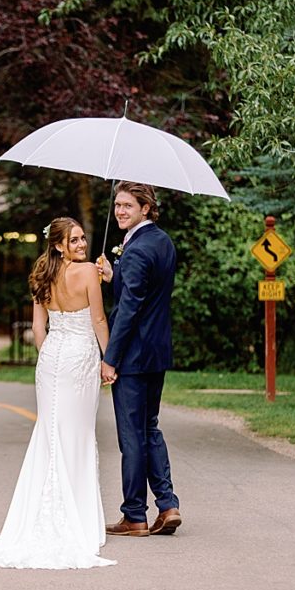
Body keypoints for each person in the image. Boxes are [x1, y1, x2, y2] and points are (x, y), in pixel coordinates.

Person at [0, 217, 116, 569]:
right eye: (75, 240)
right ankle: (76, 520)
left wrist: (48, 355)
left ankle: (39, 514)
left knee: (50, 434)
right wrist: (109, 359)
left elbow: (38, 326)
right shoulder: (88, 274)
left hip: (50, 360)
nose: (82, 244)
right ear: (59, 245)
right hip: (79, 358)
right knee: (76, 435)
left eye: (83, 239)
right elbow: (98, 320)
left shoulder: (42, 276)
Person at [96, 181, 181, 537]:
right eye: (117, 205)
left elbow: (129, 309)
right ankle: (168, 504)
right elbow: (142, 295)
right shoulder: (162, 242)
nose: (120, 211)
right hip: (156, 351)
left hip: (132, 356)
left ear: (146, 208)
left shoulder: (135, 250)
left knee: (131, 436)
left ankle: (134, 515)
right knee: (149, 428)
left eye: (128, 205)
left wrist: (110, 358)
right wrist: (115, 276)